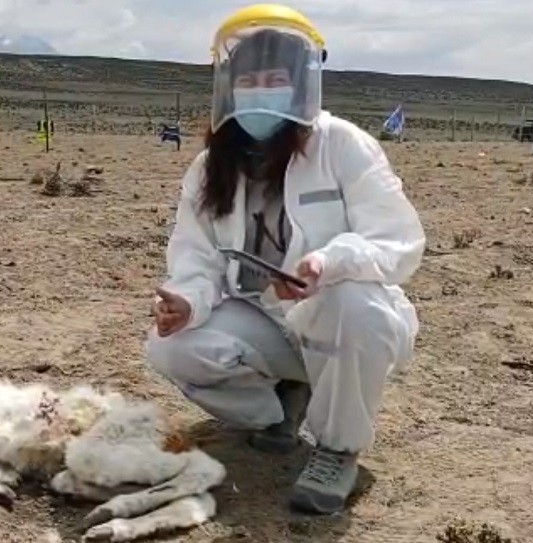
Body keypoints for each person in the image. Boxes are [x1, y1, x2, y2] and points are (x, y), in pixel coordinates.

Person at [145, 4, 425, 515]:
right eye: (249, 80)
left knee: (353, 304)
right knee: (173, 346)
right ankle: (280, 404)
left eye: (275, 79)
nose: (261, 91)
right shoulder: (210, 166)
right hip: (265, 322)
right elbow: (196, 255)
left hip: (340, 322)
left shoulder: (341, 145)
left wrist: (328, 264)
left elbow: (397, 239)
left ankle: (337, 449)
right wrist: (187, 299)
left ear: (300, 84)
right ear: (229, 86)